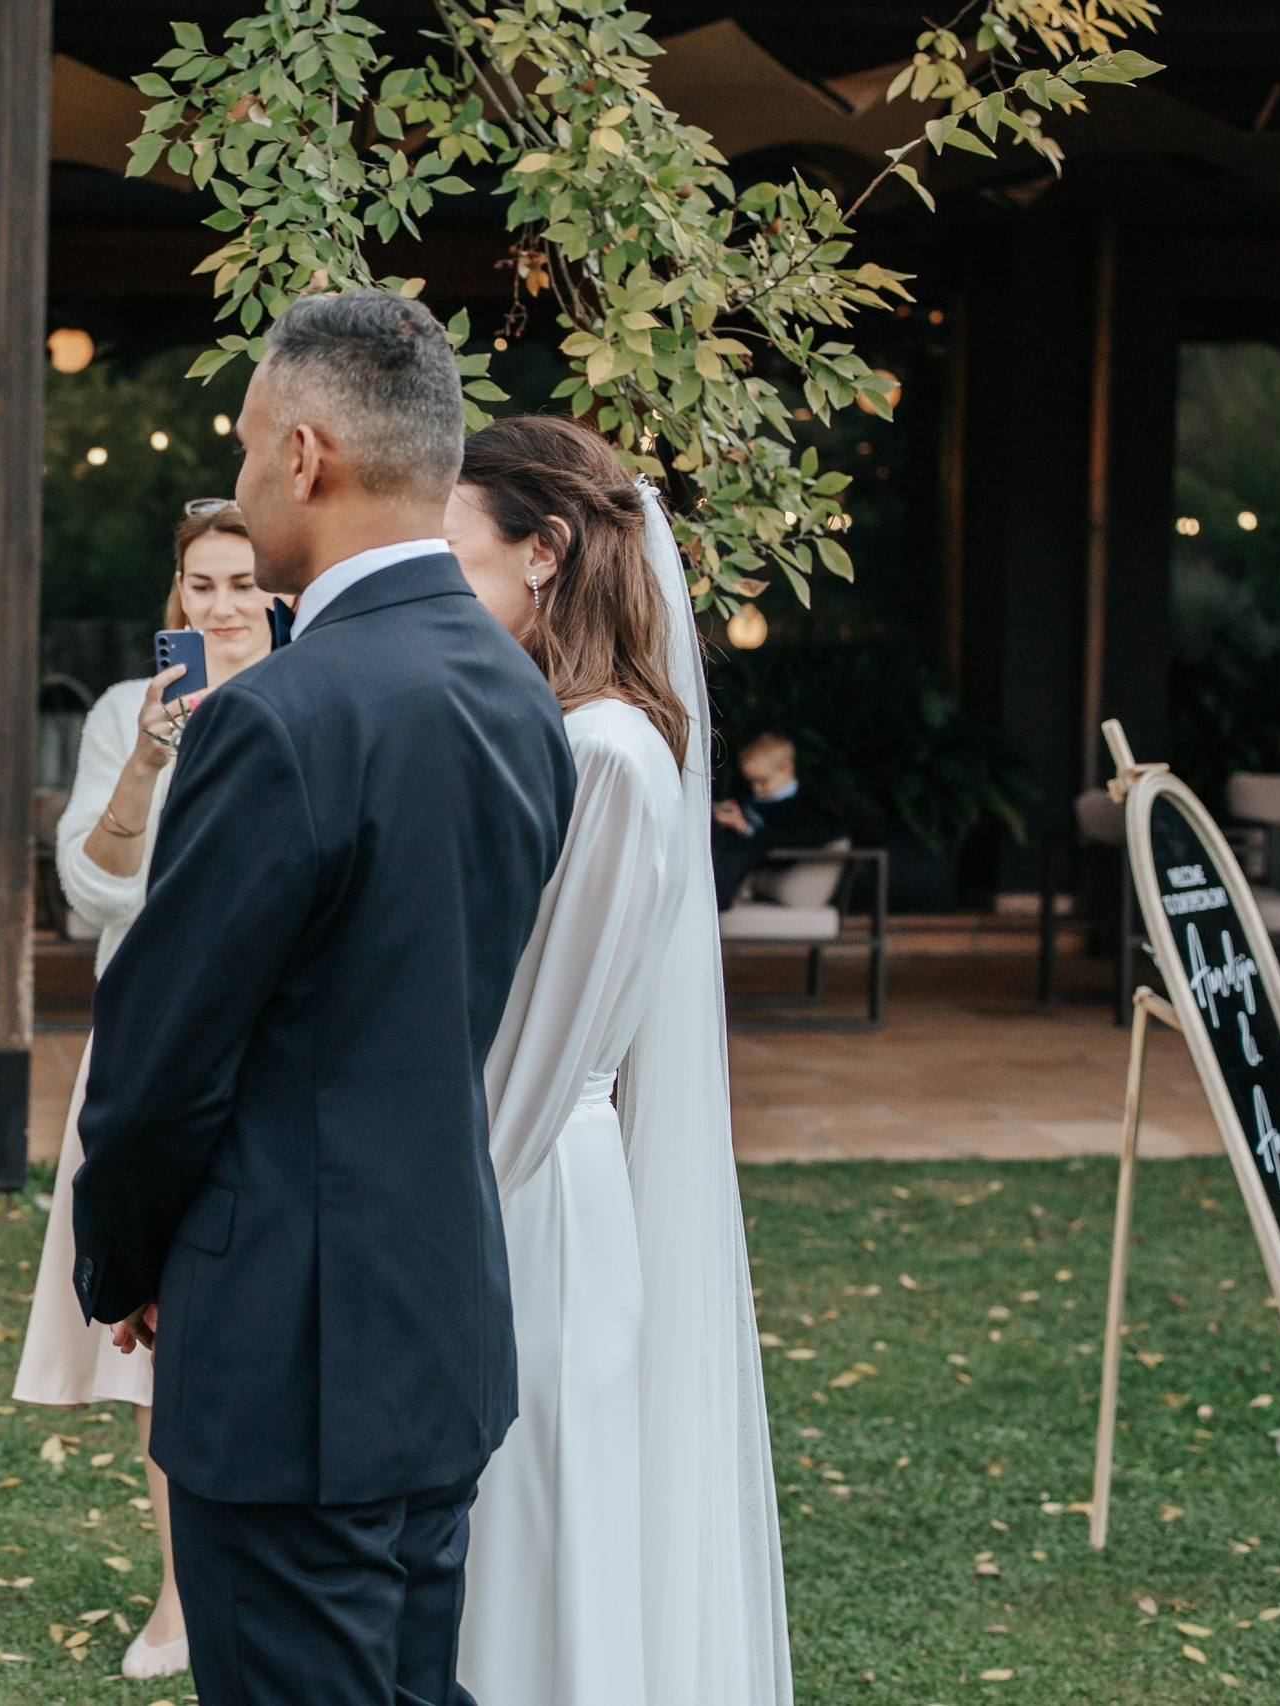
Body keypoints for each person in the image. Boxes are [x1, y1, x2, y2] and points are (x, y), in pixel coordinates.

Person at [70, 291, 573, 1706]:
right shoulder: (514, 691)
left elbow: (164, 1060)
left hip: (291, 1353)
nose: (235, 480)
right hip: (439, 1321)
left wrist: (130, 1258)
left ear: (304, 455)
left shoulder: (279, 719)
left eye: (240, 449)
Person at [440, 416, 792, 1706]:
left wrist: (433, 1196)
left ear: (544, 554)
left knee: (543, 1523)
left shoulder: (603, 751)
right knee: (506, 1529)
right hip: (528, 1174)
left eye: (454, 559)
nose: (439, 594)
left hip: (531, 1188)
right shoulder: (559, 732)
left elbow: (540, 1038)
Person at [16, 497, 271, 1680]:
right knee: (150, 1325)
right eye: (201, 584)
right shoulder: (131, 708)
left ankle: (270, 1565)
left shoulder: (315, 690)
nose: (221, 605)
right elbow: (94, 890)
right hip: (148, 1040)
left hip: (271, 1050)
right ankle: (177, 1588)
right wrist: (145, 764)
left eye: (242, 582)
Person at [710, 731, 892, 911]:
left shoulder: (812, 804)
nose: (756, 789)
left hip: (779, 867)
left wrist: (745, 829)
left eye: (763, 781)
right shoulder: (752, 800)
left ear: (787, 769)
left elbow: (792, 837)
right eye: (751, 782)